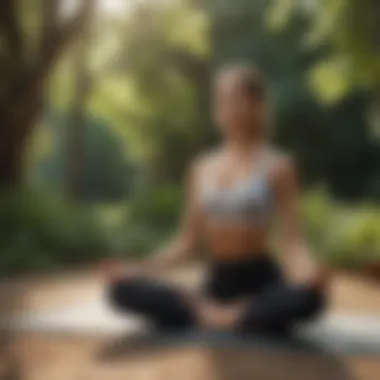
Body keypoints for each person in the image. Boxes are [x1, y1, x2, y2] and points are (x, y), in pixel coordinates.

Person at [104, 62, 330, 335]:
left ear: (257, 105)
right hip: (217, 282)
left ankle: (231, 312)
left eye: (237, 98)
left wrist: (309, 274)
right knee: (120, 290)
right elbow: (186, 242)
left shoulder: (279, 165)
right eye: (222, 99)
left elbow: (293, 241)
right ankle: (222, 312)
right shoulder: (201, 168)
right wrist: (138, 270)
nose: (227, 107)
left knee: (311, 298)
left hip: (261, 280)